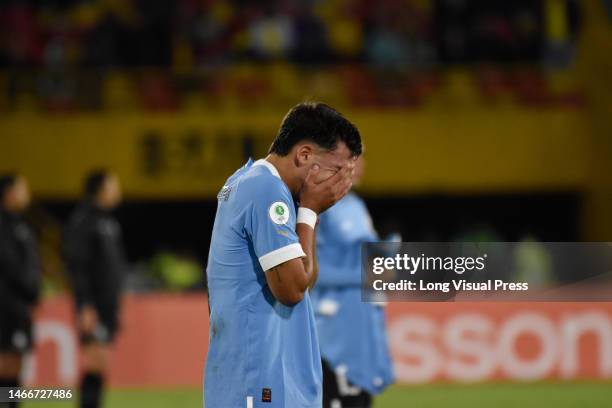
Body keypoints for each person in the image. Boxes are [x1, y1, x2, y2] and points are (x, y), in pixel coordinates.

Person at [204, 102, 362, 408]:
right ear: (304, 155)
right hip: (259, 376)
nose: (340, 185)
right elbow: (291, 290)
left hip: (258, 374)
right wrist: (311, 211)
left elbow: (303, 281)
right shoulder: (266, 190)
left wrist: (307, 214)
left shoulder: (249, 180)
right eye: (336, 170)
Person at [311, 155, 395, 408]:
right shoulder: (317, 207)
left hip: (361, 328)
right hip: (334, 329)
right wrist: (365, 276)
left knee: (360, 399)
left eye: (361, 157)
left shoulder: (356, 205)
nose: (358, 164)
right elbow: (309, 270)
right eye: (351, 157)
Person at [63, 170, 125, 408]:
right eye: (113, 185)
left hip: (107, 306)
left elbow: (113, 269)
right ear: (100, 189)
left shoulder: (108, 222)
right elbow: (78, 268)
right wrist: (85, 305)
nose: (117, 191)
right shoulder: (83, 222)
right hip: (94, 306)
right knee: (95, 362)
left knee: (101, 364)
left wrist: (117, 305)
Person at [0, 174, 40, 408]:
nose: (27, 193)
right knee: (6, 362)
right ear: (9, 192)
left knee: (15, 364)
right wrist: (30, 289)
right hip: (7, 304)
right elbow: (10, 264)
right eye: (22, 188)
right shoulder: (4, 225)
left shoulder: (21, 224)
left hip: (20, 304)